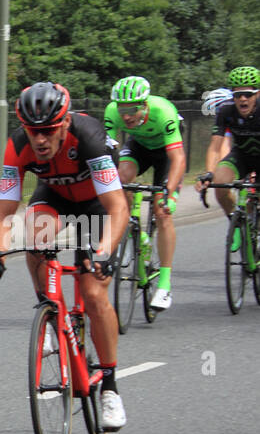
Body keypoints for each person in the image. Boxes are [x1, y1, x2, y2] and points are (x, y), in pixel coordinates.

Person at [0, 81, 129, 430]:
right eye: (34, 132)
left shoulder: (90, 137)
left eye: (48, 131)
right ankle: (50, 311)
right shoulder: (17, 146)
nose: (40, 140)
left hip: (97, 206)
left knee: (93, 294)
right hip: (56, 197)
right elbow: (4, 213)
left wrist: (104, 253)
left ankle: (109, 385)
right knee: (33, 234)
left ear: (64, 123)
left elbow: (117, 206)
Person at [103, 76, 185, 310]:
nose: (126, 115)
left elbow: (177, 158)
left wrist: (169, 193)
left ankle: (165, 285)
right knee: (120, 178)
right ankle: (133, 229)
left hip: (166, 154)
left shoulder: (163, 112)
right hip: (139, 147)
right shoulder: (112, 112)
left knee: (162, 211)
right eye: (122, 109)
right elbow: (106, 153)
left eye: (132, 109)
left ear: (145, 104)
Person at [195, 66, 260, 226]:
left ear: (257, 93)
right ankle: (237, 223)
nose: (243, 99)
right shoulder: (226, 110)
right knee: (220, 183)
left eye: (248, 94)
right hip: (241, 155)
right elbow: (215, 147)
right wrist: (209, 172)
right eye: (238, 95)